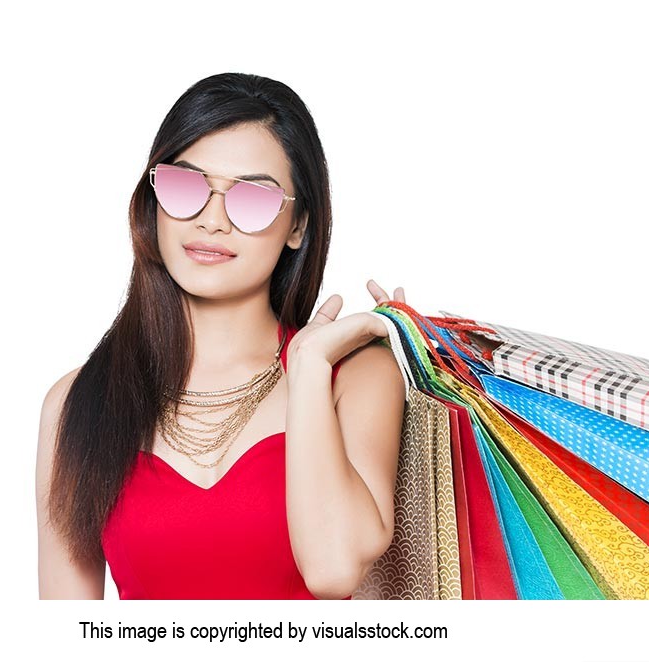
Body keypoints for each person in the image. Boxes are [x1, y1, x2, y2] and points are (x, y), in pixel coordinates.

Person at [36, 72, 407, 599]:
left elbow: (332, 572)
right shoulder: (77, 402)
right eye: (186, 186)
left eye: (252, 199)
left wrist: (305, 372)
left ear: (298, 225)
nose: (211, 220)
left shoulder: (355, 375)